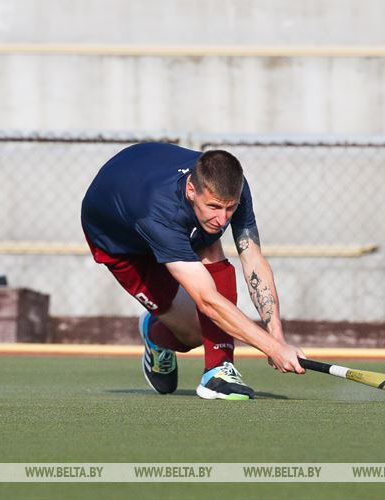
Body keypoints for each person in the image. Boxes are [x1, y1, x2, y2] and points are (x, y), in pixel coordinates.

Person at [81, 141, 306, 400]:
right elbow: (207, 300)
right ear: (191, 189)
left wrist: (276, 335)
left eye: (229, 208)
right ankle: (156, 334)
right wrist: (272, 349)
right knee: (195, 329)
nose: (223, 220)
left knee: (200, 327)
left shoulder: (233, 189)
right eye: (213, 207)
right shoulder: (157, 213)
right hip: (119, 240)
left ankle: (219, 370)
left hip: (148, 181)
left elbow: (253, 258)